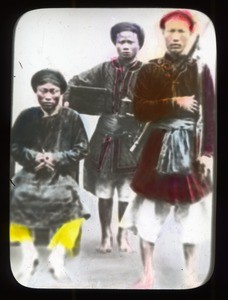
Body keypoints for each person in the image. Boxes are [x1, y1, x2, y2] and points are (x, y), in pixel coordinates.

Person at [121, 10, 215, 288]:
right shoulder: (150, 70)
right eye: (170, 31)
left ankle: (190, 272)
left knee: (192, 217)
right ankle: (148, 272)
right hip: (157, 149)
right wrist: (175, 102)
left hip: (191, 148)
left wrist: (208, 152)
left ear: (189, 35)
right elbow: (139, 110)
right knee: (150, 213)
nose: (175, 37)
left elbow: (210, 115)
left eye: (181, 32)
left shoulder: (201, 70)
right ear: (163, 34)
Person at [63, 22, 145, 253]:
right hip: (105, 137)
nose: (126, 46)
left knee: (127, 190)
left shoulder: (148, 72)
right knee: (105, 190)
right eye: (122, 42)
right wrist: (67, 100)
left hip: (133, 139)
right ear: (116, 44)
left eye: (131, 42)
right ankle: (106, 235)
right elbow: (74, 83)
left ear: (139, 44)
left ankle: (123, 235)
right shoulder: (104, 69)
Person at [10, 69, 90, 285]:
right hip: (31, 173)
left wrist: (57, 157)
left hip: (62, 175)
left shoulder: (72, 118)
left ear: (61, 92)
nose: (47, 96)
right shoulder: (27, 116)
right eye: (42, 91)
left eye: (53, 91)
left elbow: (82, 148)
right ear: (36, 92)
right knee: (15, 195)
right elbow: (14, 146)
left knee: (74, 204)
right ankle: (29, 256)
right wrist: (33, 156)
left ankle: (58, 257)